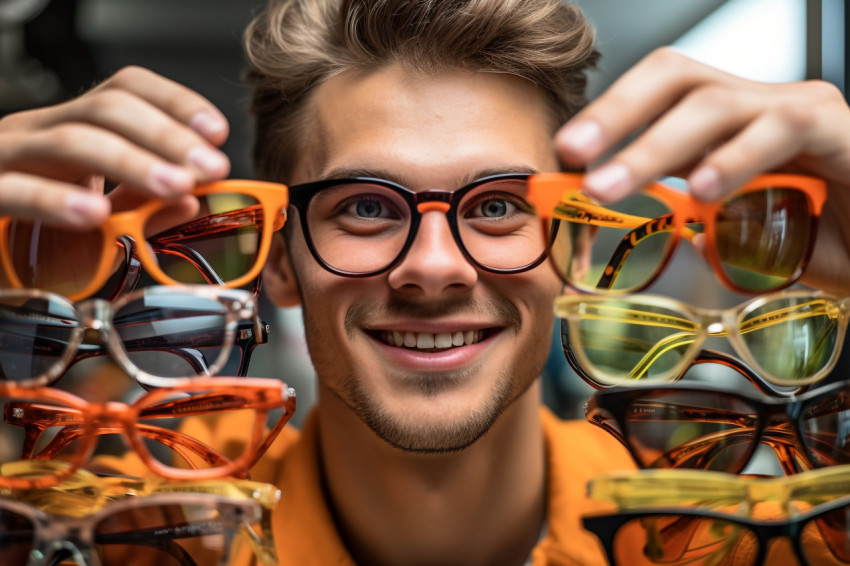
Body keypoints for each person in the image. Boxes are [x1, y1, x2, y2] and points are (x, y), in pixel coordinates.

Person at [1, 1, 849, 565]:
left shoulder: (723, 539)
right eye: (366, 206)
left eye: (498, 206)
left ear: (571, 253)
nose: (436, 266)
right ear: (282, 260)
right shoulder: (126, 539)